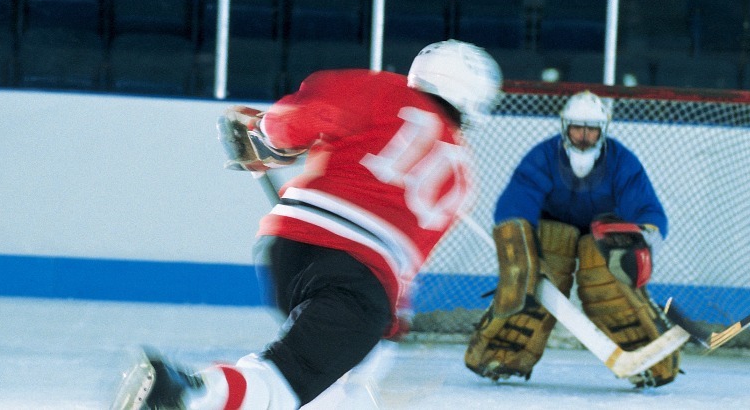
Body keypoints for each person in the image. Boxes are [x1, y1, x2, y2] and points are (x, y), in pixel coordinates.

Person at [112, 39, 503, 409]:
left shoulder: (384, 89)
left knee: (333, 388)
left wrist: (263, 136)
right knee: (285, 383)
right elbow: (410, 256)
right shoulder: (463, 175)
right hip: (363, 279)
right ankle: (182, 391)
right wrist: (391, 317)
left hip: (290, 246)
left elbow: (305, 114)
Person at [462, 90, 680, 388]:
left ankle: (651, 363)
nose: (583, 136)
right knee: (534, 282)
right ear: (565, 126)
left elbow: (647, 209)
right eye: (578, 127)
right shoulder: (543, 156)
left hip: (602, 237)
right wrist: (518, 241)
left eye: (592, 129)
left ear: (602, 131)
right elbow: (517, 202)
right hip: (552, 234)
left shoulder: (622, 161)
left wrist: (644, 237)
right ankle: (503, 356)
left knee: (609, 286)